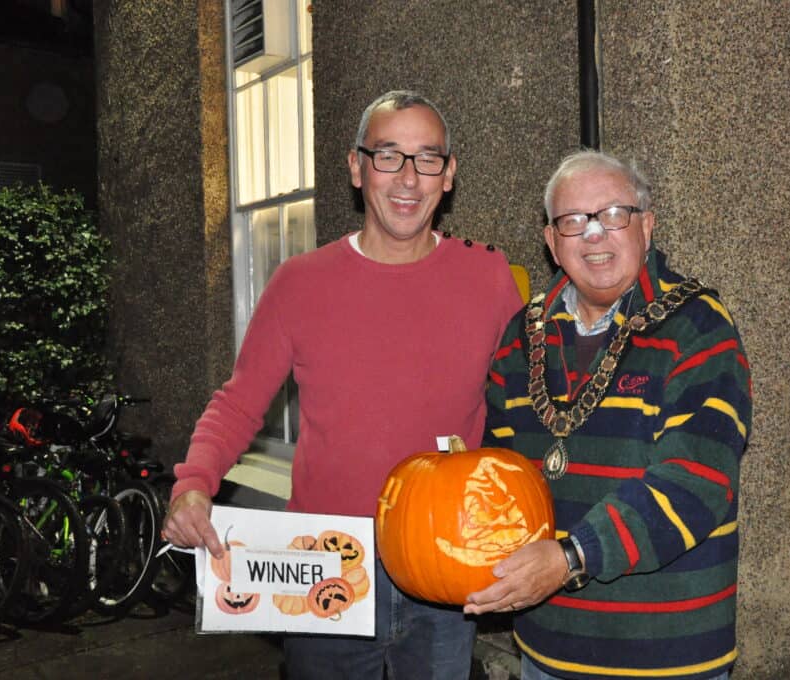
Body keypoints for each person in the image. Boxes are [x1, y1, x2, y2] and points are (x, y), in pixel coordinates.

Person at [162, 90, 523, 679]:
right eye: (388, 156)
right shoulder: (300, 283)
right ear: (357, 167)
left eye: (427, 158)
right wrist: (194, 482)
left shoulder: (488, 277)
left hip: (446, 563)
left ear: (449, 175)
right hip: (324, 563)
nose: (408, 178)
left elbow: (523, 408)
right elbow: (238, 402)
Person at [463, 150, 752, 680]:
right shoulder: (519, 339)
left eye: (613, 215)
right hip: (547, 653)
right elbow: (500, 479)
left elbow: (696, 484)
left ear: (647, 225)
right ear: (552, 242)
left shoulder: (698, 328)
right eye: (573, 221)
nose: (593, 235)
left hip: (669, 655)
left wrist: (572, 557)